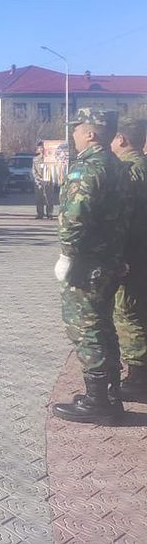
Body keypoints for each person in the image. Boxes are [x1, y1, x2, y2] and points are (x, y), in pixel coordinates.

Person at [52, 109, 130, 423]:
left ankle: (99, 402)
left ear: (91, 134)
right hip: (109, 260)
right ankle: (108, 394)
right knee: (103, 326)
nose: (73, 135)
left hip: (88, 263)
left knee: (86, 327)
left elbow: (74, 215)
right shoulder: (116, 164)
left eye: (76, 130)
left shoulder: (88, 167)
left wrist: (67, 255)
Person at [112, 120, 147, 402]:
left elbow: (126, 217)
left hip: (135, 253)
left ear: (121, 139)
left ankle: (138, 378)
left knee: (129, 312)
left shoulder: (130, 171)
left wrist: (118, 255)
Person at [32, 141, 55, 219]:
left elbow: (54, 169)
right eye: (40, 147)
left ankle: (49, 213)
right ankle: (40, 213)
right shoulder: (35, 159)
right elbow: (34, 171)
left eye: (43, 147)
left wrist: (49, 178)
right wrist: (38, 178)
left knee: (49, 199)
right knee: (39, 198)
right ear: (38, 149)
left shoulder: (50, 159)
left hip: (48, 181)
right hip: (38, 182)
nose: (42, 149)